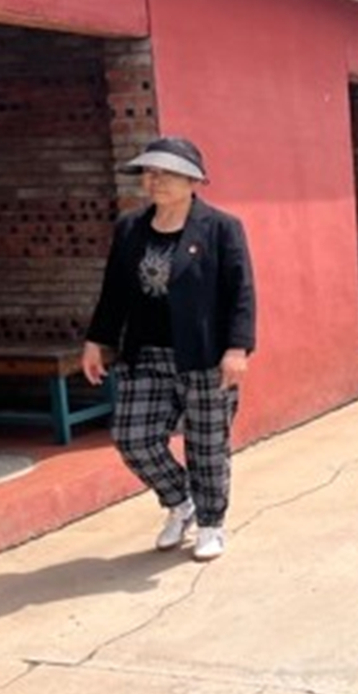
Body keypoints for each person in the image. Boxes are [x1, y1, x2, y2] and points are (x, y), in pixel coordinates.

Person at [81, 136, 256, 563]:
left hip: (204, 355)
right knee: (133, 438)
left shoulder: (221, 228)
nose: (154, 180)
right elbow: (114, 293)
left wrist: (237, 348)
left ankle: (211, 523)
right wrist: (97, 341)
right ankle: (181, 502)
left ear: (193, 181)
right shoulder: (130, 229)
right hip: (146, 352)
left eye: (166, 173)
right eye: (149, 172)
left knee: (206, 444)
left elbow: (241, 292)